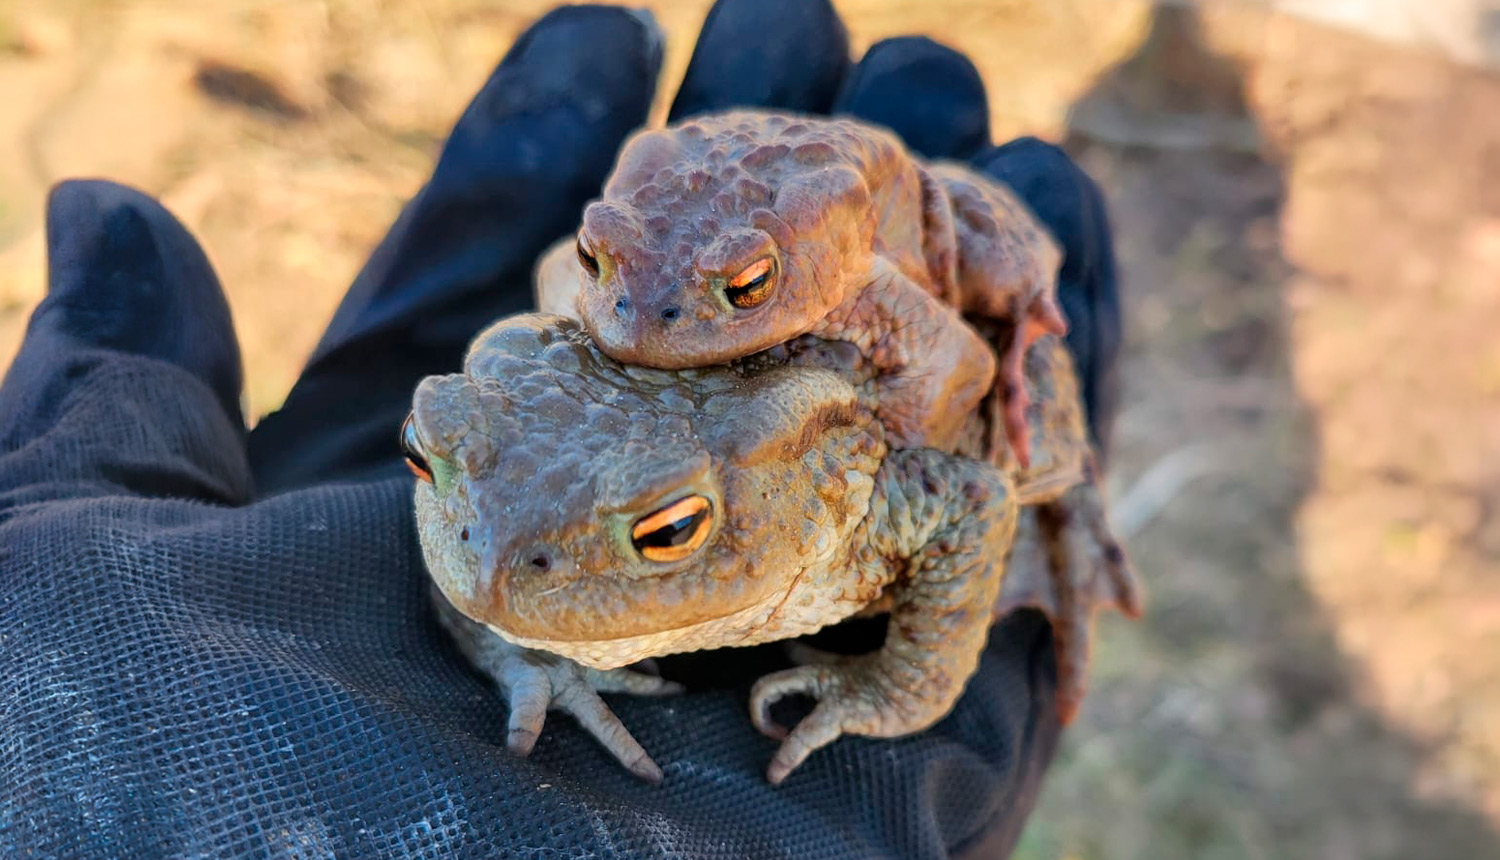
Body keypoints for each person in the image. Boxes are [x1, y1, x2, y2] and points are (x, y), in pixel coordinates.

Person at [0, 1, 1121, 856]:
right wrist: (511, 640)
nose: (488, 562)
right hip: (636, 384)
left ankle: (1072, 519)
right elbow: (491, 513)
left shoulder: (848, 484)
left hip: (820, 426)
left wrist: (901, 683)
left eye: (666, 528)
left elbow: (965, 495)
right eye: (424, 456)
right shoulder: (519, 437)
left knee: (1037, 464)